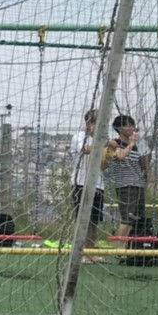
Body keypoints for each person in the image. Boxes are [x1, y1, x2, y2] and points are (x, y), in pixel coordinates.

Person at [69, 109, 106, 264]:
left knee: (93, 221)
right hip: (80, 183)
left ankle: (90, 252)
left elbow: (104, 165)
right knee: (81, 220)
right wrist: (103, 144)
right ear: (88, 123)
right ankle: (79, 252)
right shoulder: (79, 137)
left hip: (98, 184)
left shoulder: (102, 140)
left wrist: (110, 151)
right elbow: (85, 150)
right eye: (94, 123)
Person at [104, 114, 150, 240]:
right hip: (125, 185)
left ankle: (129, 245)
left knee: (136, 218)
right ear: (120, 128)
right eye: (128, 125)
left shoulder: (137, 145)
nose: (131, 128)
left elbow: (144, 165)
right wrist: (131, 144)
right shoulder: (114, 143)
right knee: (127, 218)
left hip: (138, 184)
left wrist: (141, 144)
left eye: (132, 125)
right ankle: (119, 247)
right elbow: (120, 156)